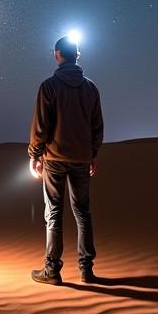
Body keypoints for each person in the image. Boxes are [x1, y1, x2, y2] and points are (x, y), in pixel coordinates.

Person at [28, 34, 104, 285]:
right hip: (81, 158)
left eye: (54, 52)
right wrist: (91, 153)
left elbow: (41, 126)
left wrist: (35, 154)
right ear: (77, 56)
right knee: (83, 213)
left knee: (54, 213)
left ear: (58, 55)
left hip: (55, 159)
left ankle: (52, 270)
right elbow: (97, 126)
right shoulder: (91, 88)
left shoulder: (49, 86)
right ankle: (87, 270)